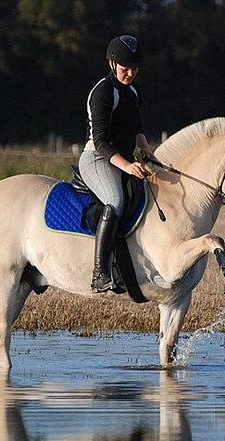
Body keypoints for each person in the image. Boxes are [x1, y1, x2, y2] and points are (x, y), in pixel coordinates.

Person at [79, 35, 157, 293]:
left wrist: (147, 150)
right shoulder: (102, 92)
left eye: (134, 69)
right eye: (125, 68)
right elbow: (101, 142)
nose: (131, 73)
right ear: (112, 64)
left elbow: (136, 126)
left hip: (123, 159)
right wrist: (127, 166)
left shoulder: (134, 91)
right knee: (116, 200)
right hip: (98, 158)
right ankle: (100, 273)